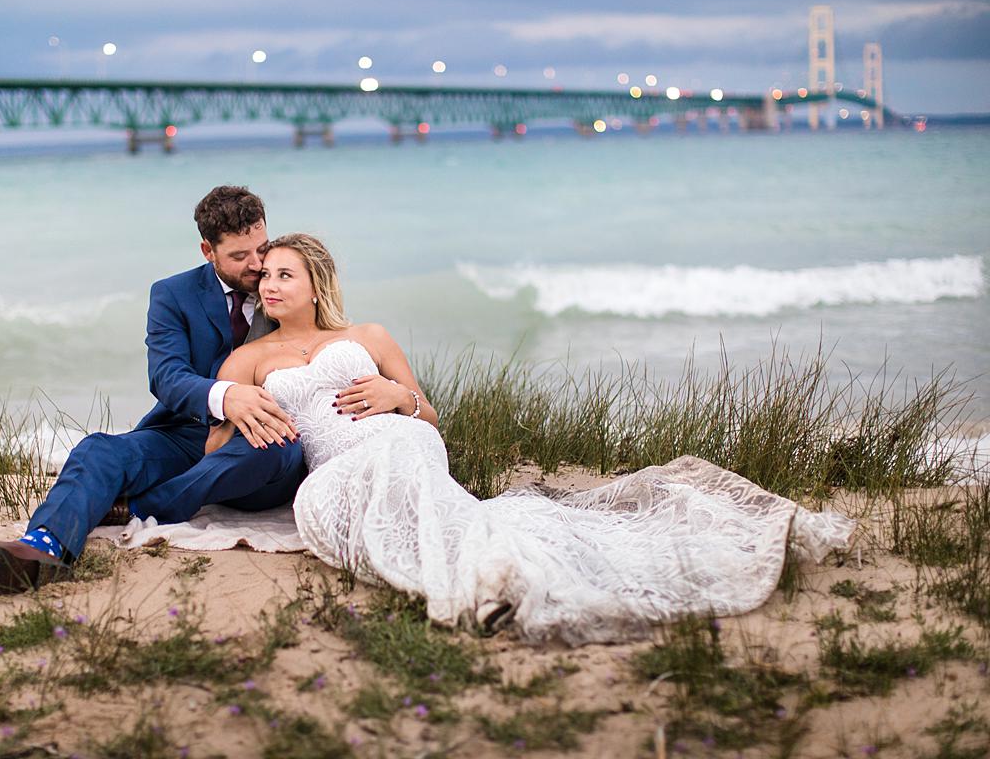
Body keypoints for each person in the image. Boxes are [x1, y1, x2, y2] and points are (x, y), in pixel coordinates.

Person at [218, 233, 855, 644]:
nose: (270, 285)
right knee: (338, 507)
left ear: (315, 284)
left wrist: (397, 398)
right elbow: (215, 447)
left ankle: (488, 578)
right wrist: (238, 425)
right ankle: (492, 571)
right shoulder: (249, 361)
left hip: (399, 440)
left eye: (284, 275)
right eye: (265, 276)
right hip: (333, 462)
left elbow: (429, 414)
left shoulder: (369, 336)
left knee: (406, 470)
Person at [0, 186, 305, 595]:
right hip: (184, 436)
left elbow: (331, 342)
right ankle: (39, 550)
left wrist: (388, 390)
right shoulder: (172, 294)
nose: (257, 265)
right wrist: (225, 397)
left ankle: (139, 507)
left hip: (257, 447)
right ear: (207, 251)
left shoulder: (286, 284)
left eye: (262, 248)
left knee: (280, 449)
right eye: (239, 256)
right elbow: (166, 376)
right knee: (98, 449)